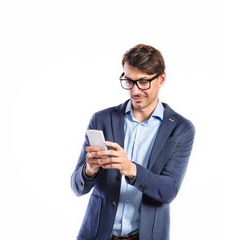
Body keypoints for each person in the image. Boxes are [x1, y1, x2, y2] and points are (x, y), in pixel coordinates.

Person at [71, 44, 195, 240]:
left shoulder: (181, 129)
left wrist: (131, 169)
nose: (135, 90)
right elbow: (77, 187)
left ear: (161, 79)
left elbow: (168, 190)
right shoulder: (102, 119)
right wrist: (89, 170)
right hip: (97, 235)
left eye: (143, 82)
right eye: (129, 81)